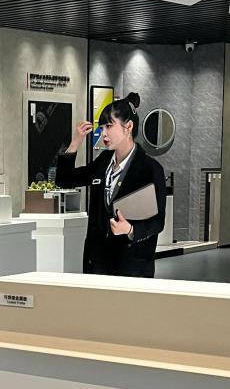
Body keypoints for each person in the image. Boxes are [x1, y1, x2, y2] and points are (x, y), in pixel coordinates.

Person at [54, 93, 166, 278]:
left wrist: (130, 230)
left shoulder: (150, 169)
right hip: (97, 262)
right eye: (101, 127)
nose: (103, 134)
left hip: (132, 265)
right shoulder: (103, 161)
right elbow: (65, 180)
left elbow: (157, 222)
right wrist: (75, 142)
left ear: (128, 127)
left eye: (109, 126)